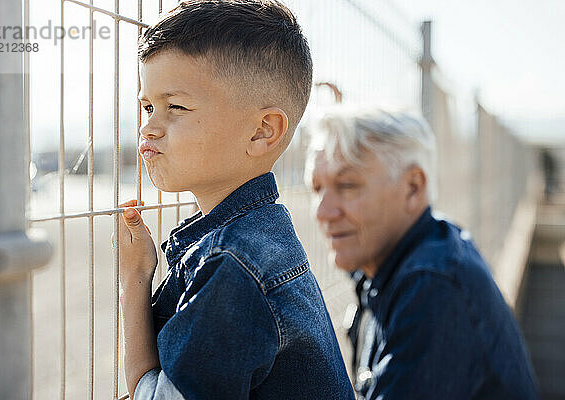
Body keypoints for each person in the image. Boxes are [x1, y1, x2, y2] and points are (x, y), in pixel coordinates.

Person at [113, 1, 354, 399]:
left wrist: (134, 280)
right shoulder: (264, 232)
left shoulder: (230, 268)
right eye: (147, 106)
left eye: (175, 107)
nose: (149, 127)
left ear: (262, 131)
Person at [307, 109, 538, 399]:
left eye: (347, 185)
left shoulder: (433, 286)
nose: (322, 212)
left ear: (413, 188)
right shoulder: (423, 249)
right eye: (316, 188)